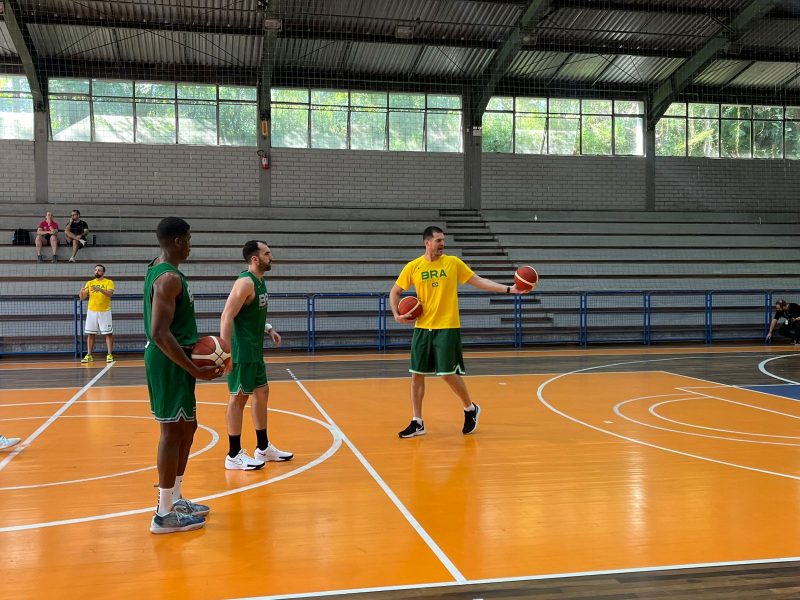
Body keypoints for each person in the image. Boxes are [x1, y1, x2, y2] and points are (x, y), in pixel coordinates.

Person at [390, 226, 529, 438]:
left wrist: (510, 289)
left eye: (443, 240)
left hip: (447, 326)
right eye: (438, 240)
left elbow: (478, 281)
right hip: (422, 328)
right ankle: (417, 421)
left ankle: (470, 408)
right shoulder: (414, 266)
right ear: (427, 243)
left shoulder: (453, 263)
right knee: (416, 375)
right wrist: (396, 314)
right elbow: (395, 291)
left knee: (447, 374)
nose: (442, 244)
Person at [144, 217, 222, 534]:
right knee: (172, 432)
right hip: (169, 360)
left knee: (188, 427)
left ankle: (174, 499)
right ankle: (163, 515)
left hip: (177, 356)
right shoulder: (168, 279)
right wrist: (194, 368)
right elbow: (160, 333)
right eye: (188, 239)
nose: (190, 245)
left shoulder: (161, 267)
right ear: (178, 241)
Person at [219, 240, 293, 471]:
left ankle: (263, 447)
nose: (271, 257)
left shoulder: (260, 282)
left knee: (262, 393)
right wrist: (226, 352)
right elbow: (226, 316)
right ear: (255, 259)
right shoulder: (245, 283)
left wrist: (268, 328)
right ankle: (233, 454)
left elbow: (249, 314)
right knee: (238, 399)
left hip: (255, 350)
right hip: (241, 352)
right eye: (267, 253)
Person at [79, 264, 115, 363]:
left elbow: (110, 294)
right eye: (95, 270)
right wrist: (81, 292)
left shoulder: (109, 282)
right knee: (90, 334)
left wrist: (100, 289)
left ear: (103, 272)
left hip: (105, 311)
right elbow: (82, 298)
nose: (97, 272)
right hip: (92, 311)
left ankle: (109, 355)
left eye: (99, 270)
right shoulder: (90, 283)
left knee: (108, 333)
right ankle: (89, 355)